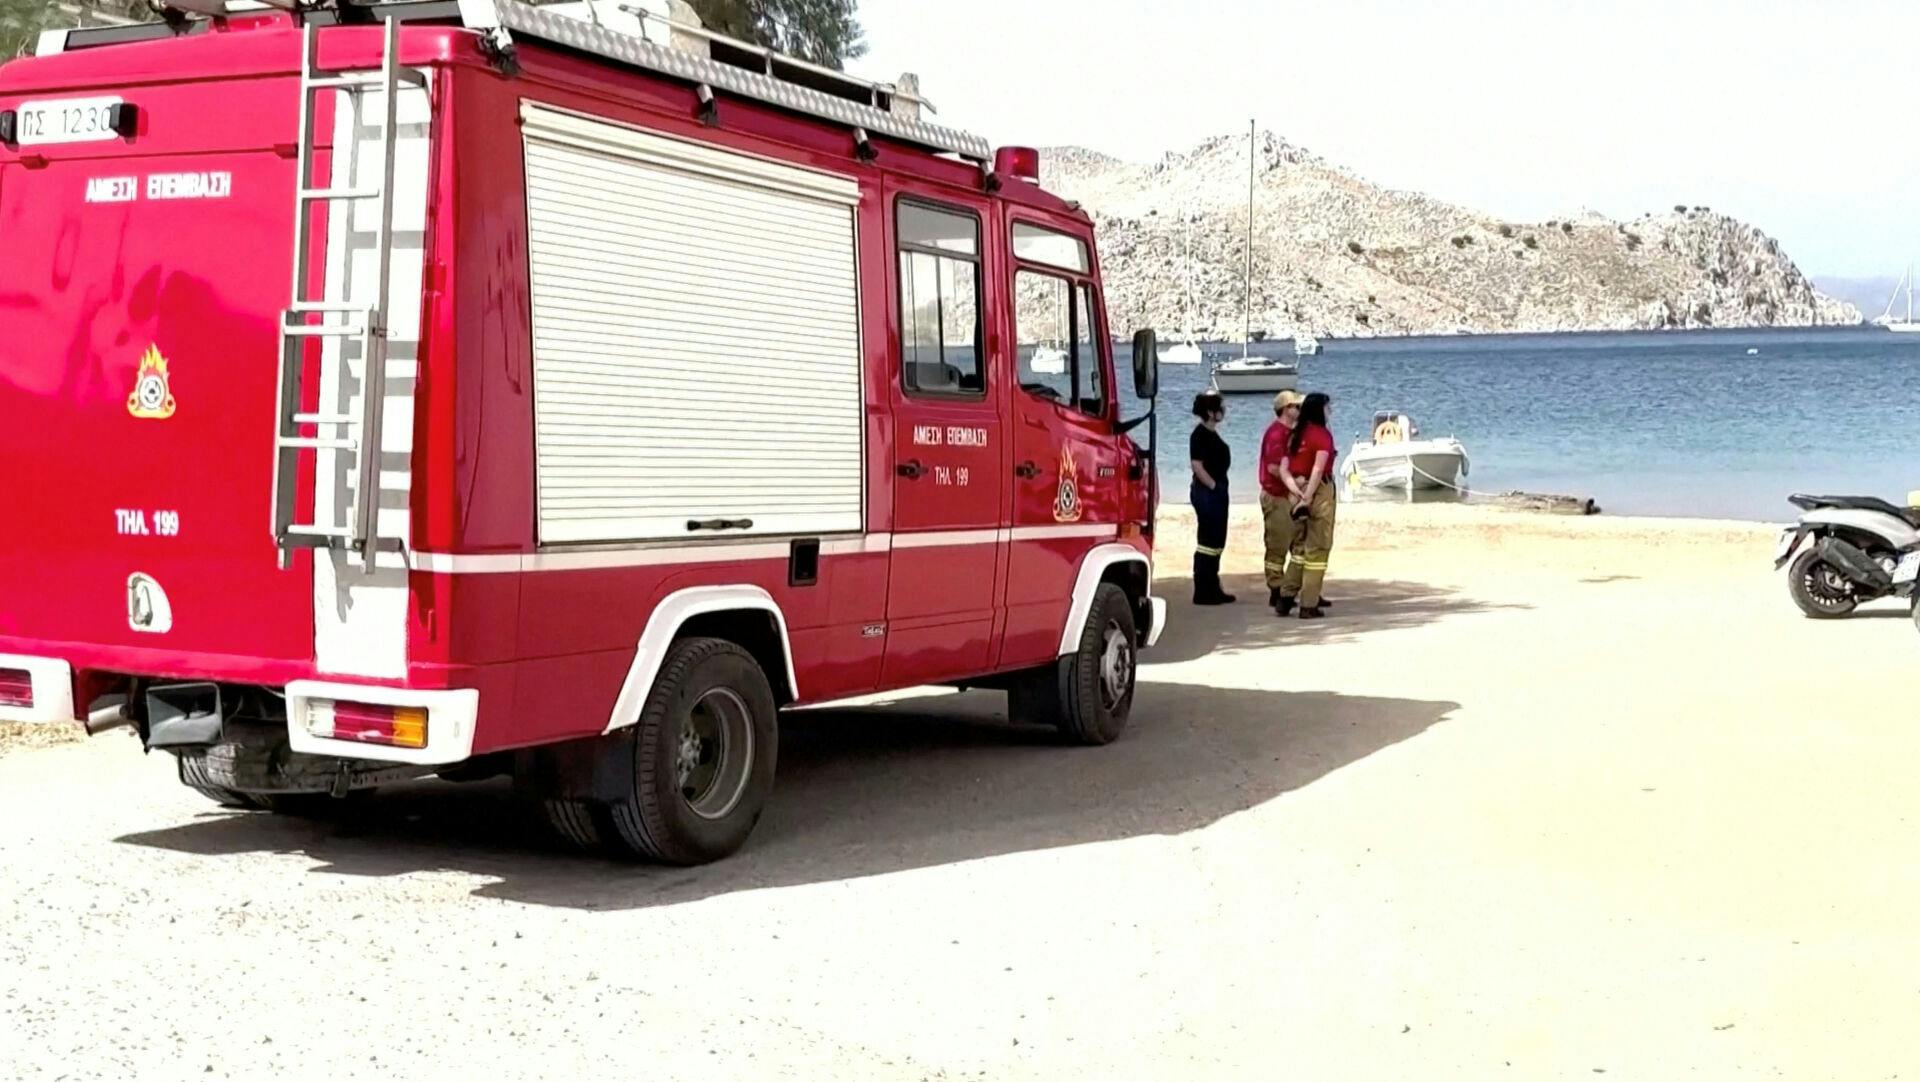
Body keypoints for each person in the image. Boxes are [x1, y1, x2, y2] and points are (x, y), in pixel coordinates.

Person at [1276, 392, 1338, 619]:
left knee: (1300, 549)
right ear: (1319, 410)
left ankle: (1285, 597)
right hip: (1318, 491)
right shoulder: (1322, 436)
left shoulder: (1294, 434)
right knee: (1318, 548)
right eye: (1327, 407)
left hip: (1296, 490)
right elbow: (1318, 469)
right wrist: (1309, 497)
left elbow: (1284, 470)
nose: (1330, 411)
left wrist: (1296, 492)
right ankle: (1308, 604)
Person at [1188, 391, 1236, 605]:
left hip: (1217, 490)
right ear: (1210, 412)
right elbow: (1197, 466)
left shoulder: (1212, 434)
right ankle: (1203, 589)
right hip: (1207, 492)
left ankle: (1213, 586)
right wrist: (1213, 486)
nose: (1223, 412)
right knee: (1207, 541)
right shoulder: (1198, 435)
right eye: (1220, 408)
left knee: (1217, 540)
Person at [1258, 390, 1304, 611]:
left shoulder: (1291, 432)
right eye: (1297, 407)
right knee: (1277, 544)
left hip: (1288, 495)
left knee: (1295, 541)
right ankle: (1275, 588)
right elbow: (1274, 468)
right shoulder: (1276, 434)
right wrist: (1295, 482)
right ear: (1286, 409)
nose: (1300, 411)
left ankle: (1290, 587)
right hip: (1277, 496)